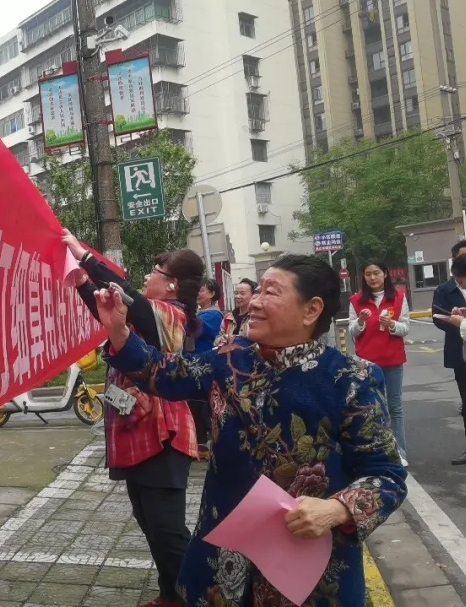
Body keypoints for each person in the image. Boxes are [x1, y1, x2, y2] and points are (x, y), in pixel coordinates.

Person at [94, 253, 407, 606]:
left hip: (308, 572)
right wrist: (118, 330)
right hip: (222, 564)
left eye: (270, 292)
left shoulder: (350, 379)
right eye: (257, 291)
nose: (254, 302)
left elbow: (387, 476)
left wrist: (336, 510)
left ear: (311, 310)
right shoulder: (231, 358)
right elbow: (163, 373)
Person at [62, 229, 203, 607]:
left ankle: (196, 597)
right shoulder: (146, 315)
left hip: (163, 435)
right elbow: (111, 313)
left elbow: (129, 299)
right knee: (149, 523)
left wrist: (85, 257)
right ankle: (171, 594)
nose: (147, 276)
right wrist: (82, 283)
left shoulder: (172, 315)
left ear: (172, 285)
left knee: (167, 529)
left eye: (155, 271)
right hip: (138, 432)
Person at [348, 259, 410, 467]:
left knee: (394, 406)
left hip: (392, 361)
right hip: (366, 364)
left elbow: (405, 328)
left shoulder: (399, 297)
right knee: (369, 408)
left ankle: (399, 451)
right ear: (363, 277)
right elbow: (352, 331)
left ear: (385, 273)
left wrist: (392, 324)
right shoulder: (356, 300)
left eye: (376, 273)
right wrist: (360, 321)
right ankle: (374, 452)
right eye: (368, 274)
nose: (372, 277)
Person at [432, 249, 466, 465]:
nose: (461, 285)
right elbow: (437, 317)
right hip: (460, 353)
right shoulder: (444, 289)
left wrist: (461, 323)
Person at [189, 278, 224, 458]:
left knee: (203, 408)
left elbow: (192, 328)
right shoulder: (201, 313)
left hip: (204, 366)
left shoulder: (213, 315)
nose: (198, 294)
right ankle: (202, 445)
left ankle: (209, 446)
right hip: (196, 365)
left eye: (201, 290)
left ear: (212, 294)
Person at [216, 278, 256, 344]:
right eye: (236, 293)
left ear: (253, 295)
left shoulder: (256, 317)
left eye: (242, 293)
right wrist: (222, 339)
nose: (237, 296)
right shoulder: (228, 317)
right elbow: (216, 340)